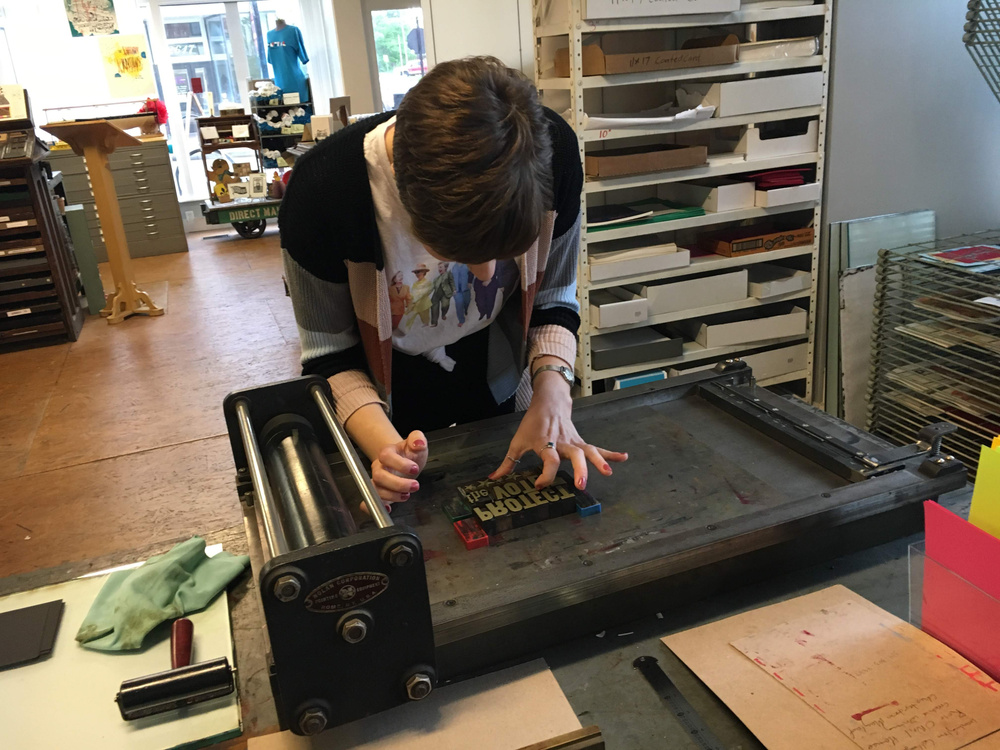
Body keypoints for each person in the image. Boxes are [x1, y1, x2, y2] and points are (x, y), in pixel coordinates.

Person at [278, 56, 627, 511]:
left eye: (504, 254)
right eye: (459, 256)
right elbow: (329, 354)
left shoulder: (552, 154)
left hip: (492, 365)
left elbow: (552, 299)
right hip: (379, 391)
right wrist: (389, 453)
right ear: (406, 201)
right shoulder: (321, 194)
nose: (487, 276)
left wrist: (553, 392)